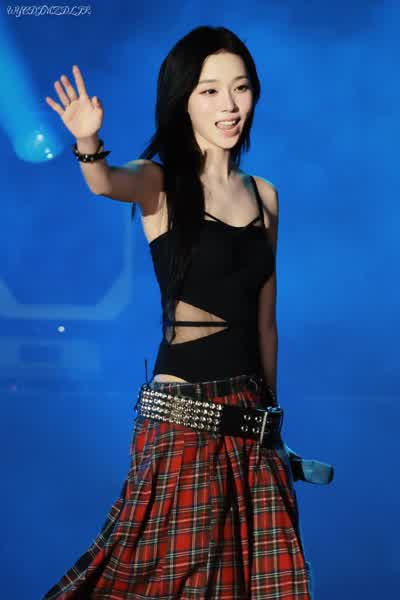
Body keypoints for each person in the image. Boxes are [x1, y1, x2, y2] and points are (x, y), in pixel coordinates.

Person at [42, 25, 333, 600]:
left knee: (260, 586)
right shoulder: (160, 182)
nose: (230, 105)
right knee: (169, 581)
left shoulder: (266, 196)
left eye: (241, 88)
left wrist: (274, 427)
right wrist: (88, 142)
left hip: (251, 423)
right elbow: (104, 182)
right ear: (183, 101)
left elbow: (265, 323)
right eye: (210, 91)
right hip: (182, 420)